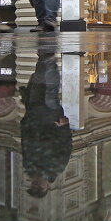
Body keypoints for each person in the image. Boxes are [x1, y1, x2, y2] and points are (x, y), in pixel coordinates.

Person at [21, 45, 73, 196]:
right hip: (51, 121)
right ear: (47, 187)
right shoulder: (55, 168)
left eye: (33, 187)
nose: (36, 185)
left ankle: (43, 57)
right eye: (39, 188)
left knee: (37, 82)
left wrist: (25, 121)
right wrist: (64, 127)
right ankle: (49, 59)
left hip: (34, 116)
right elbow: (65, 148)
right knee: (50, 90)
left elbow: (25, 142)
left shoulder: (29, 167)